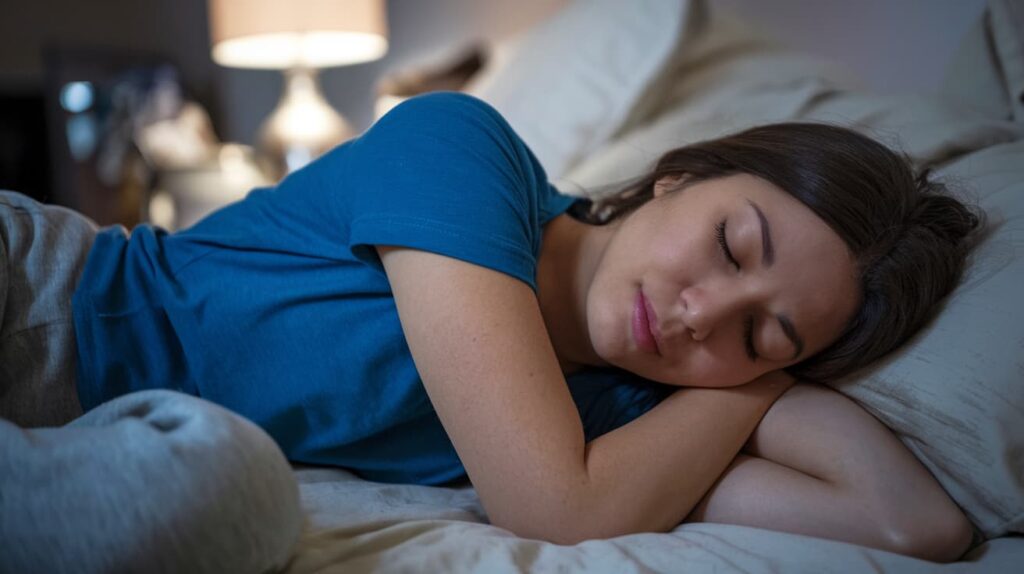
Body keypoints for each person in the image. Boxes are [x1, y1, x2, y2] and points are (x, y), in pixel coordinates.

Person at [1, 92, 980, 566]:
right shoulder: (461, 154)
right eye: (730, 247)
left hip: (110, 435)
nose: (699, 317)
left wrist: (751, 384)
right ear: (679, 175)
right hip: (44, 298)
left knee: (222, 489)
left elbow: (913, 524)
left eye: (764, 332)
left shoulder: (631, 424)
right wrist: (760, 379)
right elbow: (555, 509)